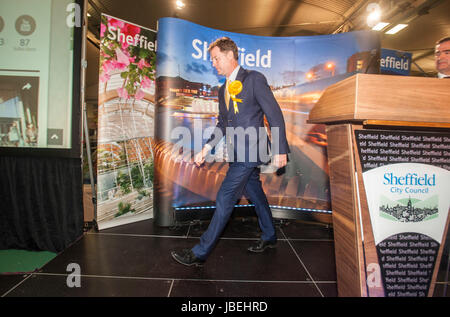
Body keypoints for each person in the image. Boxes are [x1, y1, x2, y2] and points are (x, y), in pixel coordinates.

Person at [171, 37, 290, 266]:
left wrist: (280, 149)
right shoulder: (222, 89)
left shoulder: (254, 79)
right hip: (236, 152)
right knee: (255, 193)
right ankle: (270, 235)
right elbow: (223, 124)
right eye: (212, 60)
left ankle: (199, 252)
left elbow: (274, 114)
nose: (213, 63)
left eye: (216, 58)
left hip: (251, 150)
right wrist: (205, 148)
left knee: (225, 197)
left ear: (229, 55)